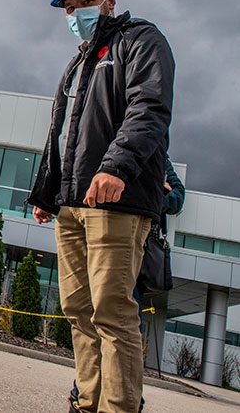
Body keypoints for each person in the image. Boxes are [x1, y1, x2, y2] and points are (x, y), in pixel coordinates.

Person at [29, 0, 175, 413]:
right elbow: (63, 134)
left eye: (87, 2)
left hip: (119, 201)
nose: (77, 14)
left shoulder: (141, 41)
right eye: (69, 8)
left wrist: (116, 167)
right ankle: (86, 402)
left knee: (112, 311)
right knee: (77, 309)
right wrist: (47, 192)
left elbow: (148, 108)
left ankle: (119, 407)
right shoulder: (77, 65)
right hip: (72, 206)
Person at [69, 154, 186, 412]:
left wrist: (153, 193)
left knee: (118, 320)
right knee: (88, 316)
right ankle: (84, 392)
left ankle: (129, 401)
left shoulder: (160, 159)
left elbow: (178, 197)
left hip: (134, 250)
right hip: (100, 233)